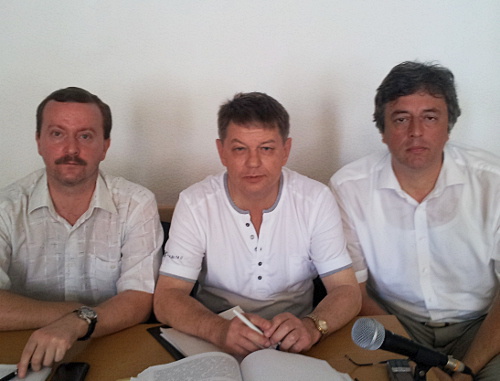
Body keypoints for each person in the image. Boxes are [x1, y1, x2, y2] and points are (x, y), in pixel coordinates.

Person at [154, 92, 360, 357]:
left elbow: (346, 290)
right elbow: (167, 296)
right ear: (222, 152)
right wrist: (218, 330)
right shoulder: (195, 203)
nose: (253, 162)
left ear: (285, 151)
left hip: (297, 341)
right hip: (215, 338)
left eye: (266, 148)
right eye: (240, 149)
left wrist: (312, 327)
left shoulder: (315, 199)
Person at [329, 61, 499, 380]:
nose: (416, 132)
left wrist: (468, 368)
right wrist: (416, 356)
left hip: (483, 326)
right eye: (401, 118)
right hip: (395, 324)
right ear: (383, 130)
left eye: (430, 117)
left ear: (449, 126)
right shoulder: (349, 187)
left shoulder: (494, 182)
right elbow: (355, 291)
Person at [0, 87, 163, 378]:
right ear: (39, 142)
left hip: (113, 349)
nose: (71, 149)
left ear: (105, 145)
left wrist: (76, 324)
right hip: (22, 353)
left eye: (85, 136)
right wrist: (74, 315)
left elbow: (139, 298)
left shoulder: (137, 203)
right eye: (58, 134)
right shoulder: (5, 207)